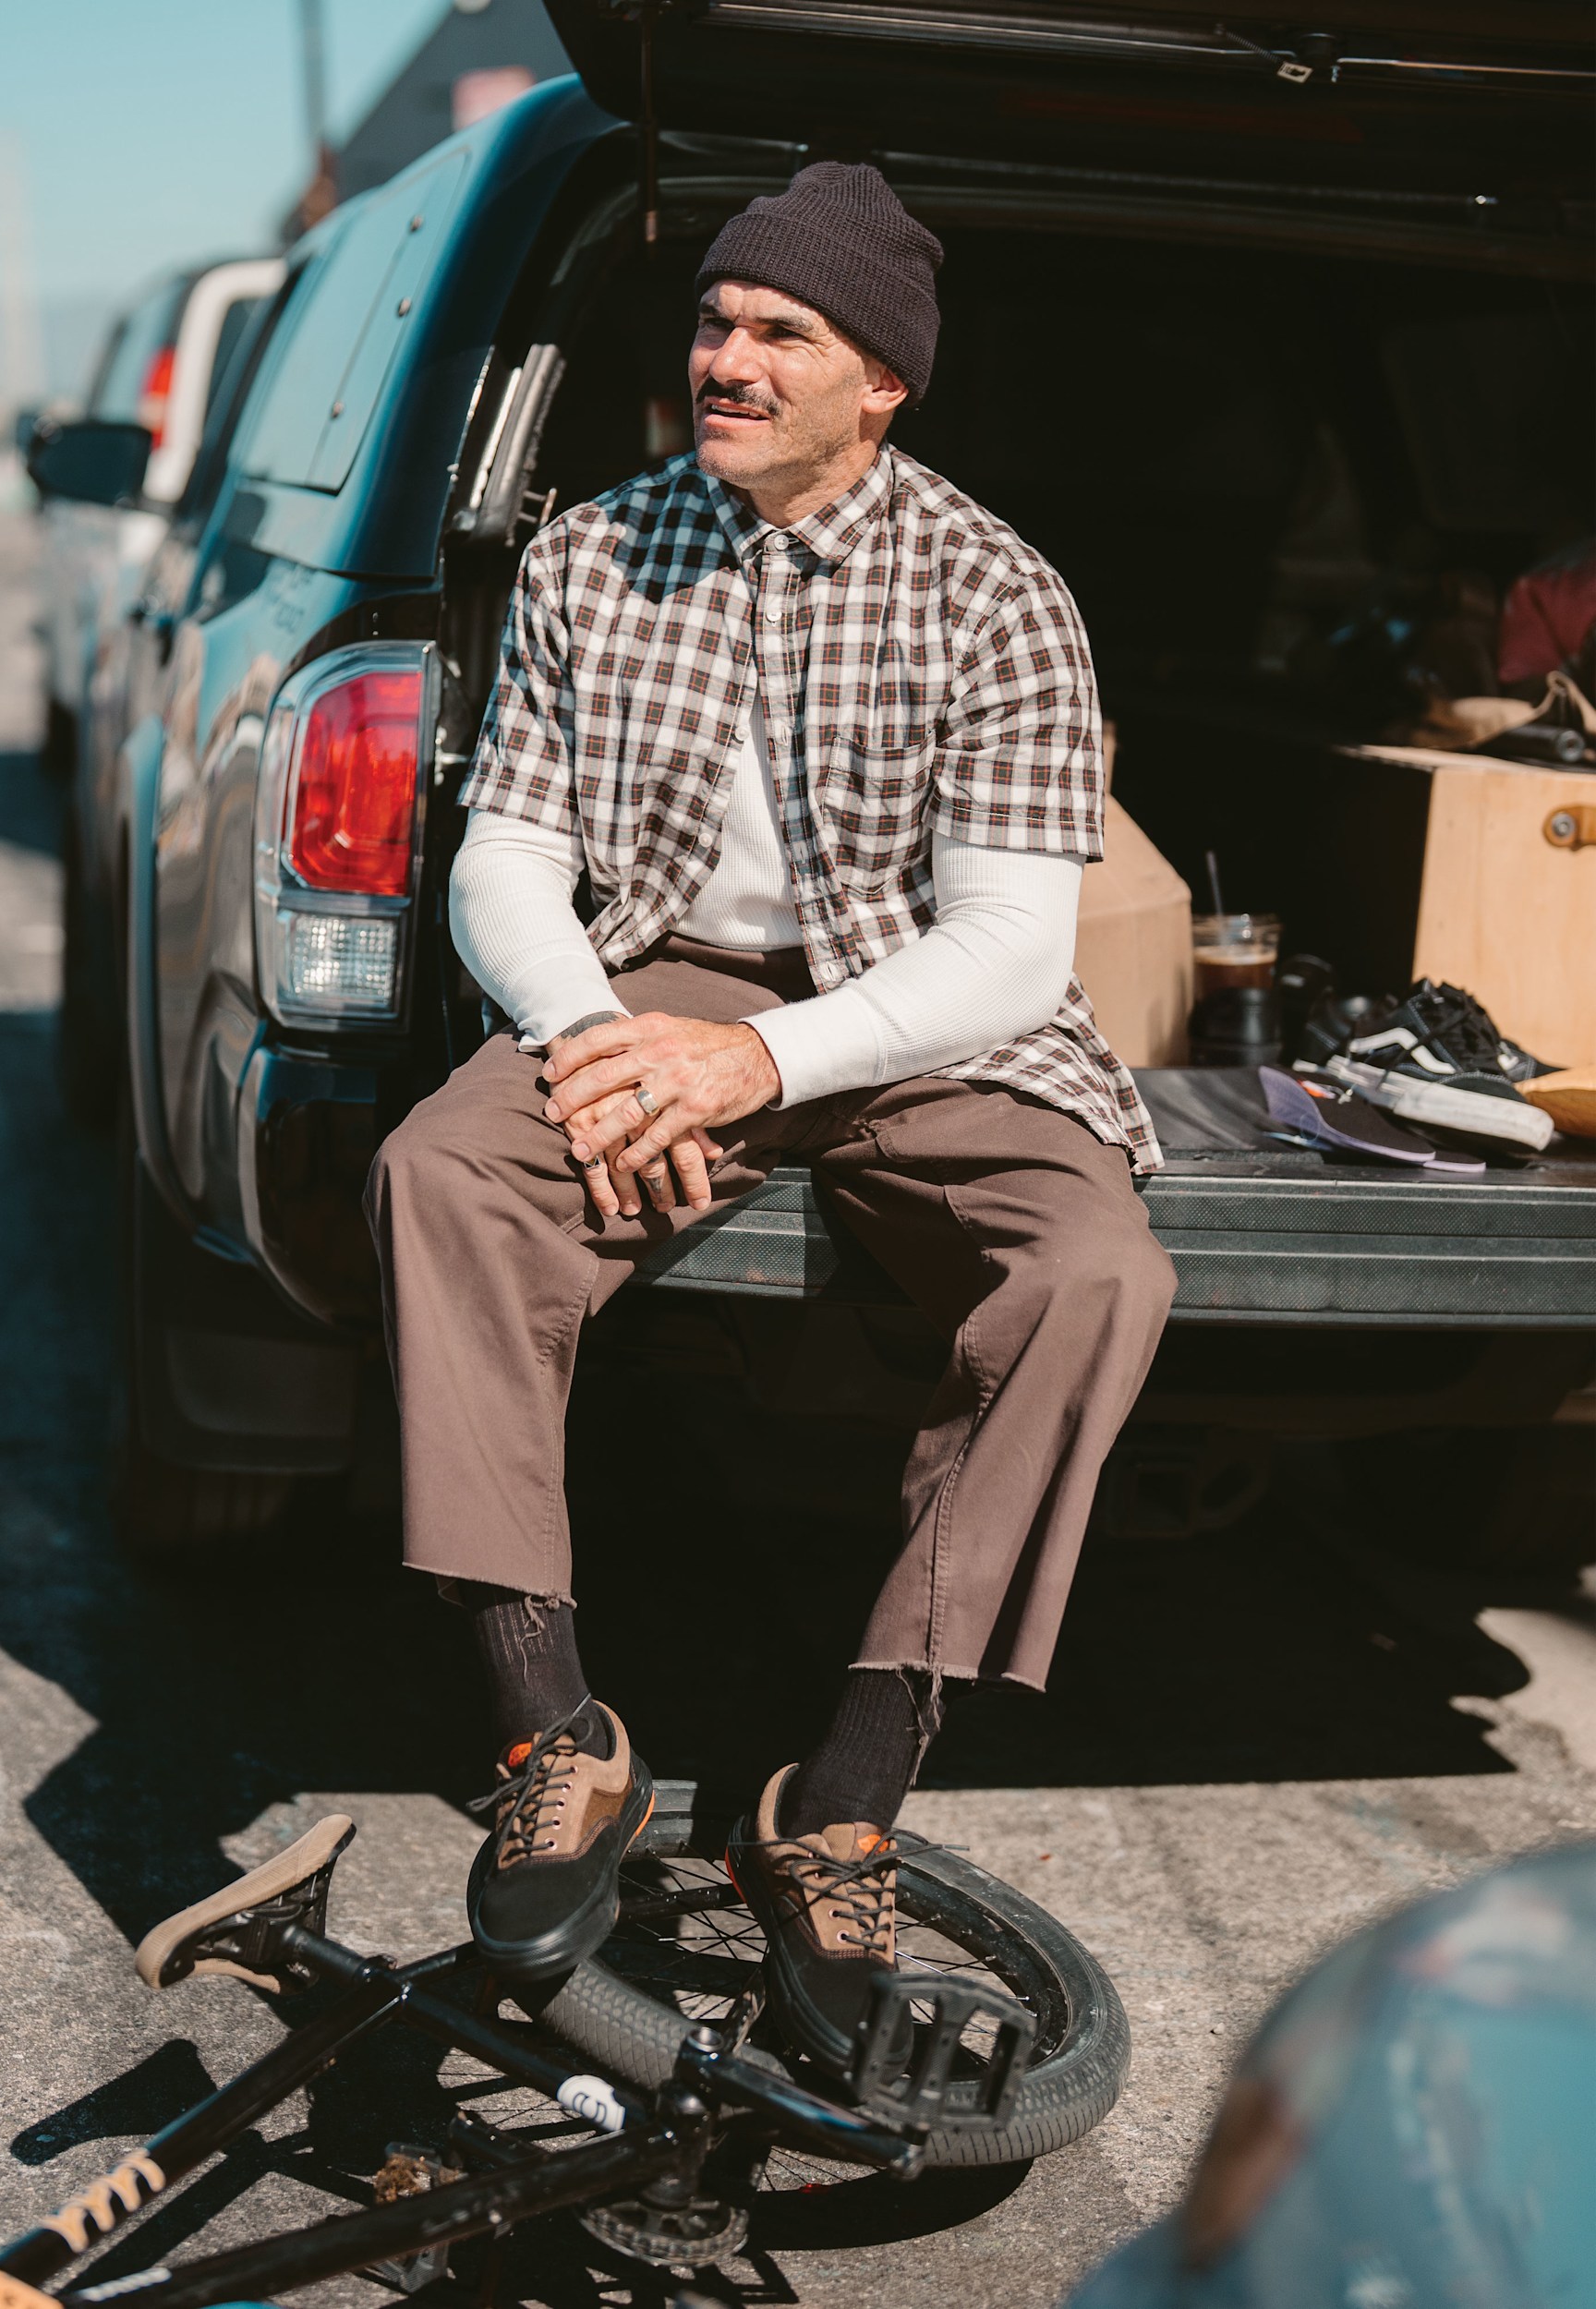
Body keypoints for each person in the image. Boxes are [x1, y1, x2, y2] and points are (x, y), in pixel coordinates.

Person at [368, 163, 1176, 2079]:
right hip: (655, 982)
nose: (721, 356)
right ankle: (553, 1728)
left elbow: (1003, 949)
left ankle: (849, 1791)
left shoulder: (996, 590)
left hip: (922, 1009)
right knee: (438, 1174)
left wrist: (757, 1066)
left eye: (776, 332)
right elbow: (513, 859)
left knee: (1093, 1269)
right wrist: (589, 1036)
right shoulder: (592, 552)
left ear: (880, 379)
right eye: (715, 318)